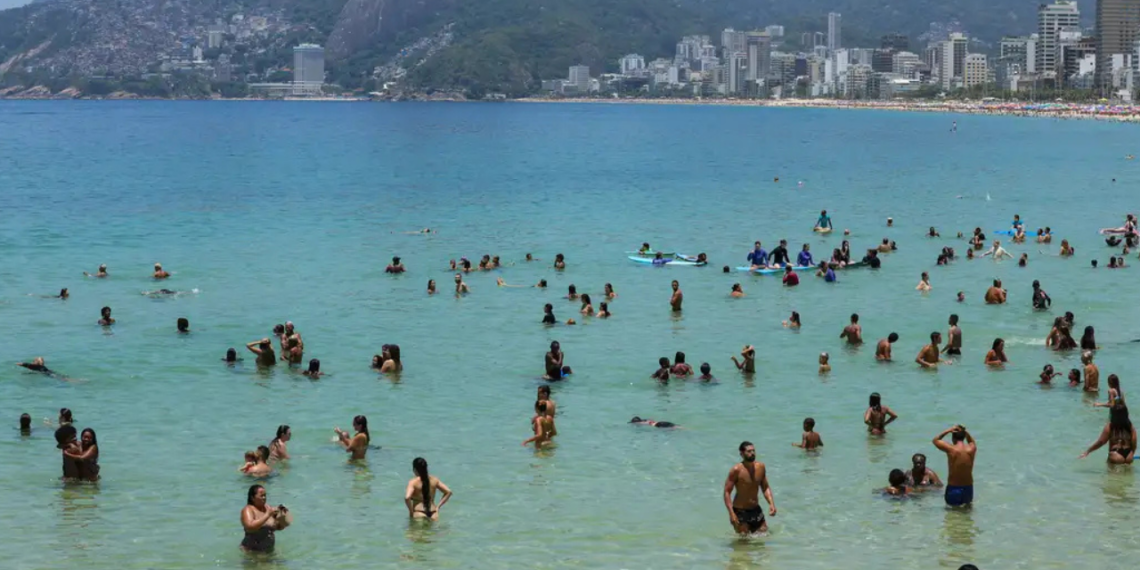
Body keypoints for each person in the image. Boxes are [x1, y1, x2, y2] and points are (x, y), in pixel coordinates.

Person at [724, 441, 777, 535]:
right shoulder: (736, 470)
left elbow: (765, 487)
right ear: (741, 453)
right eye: (749, 451)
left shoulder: (761, 467)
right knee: (743, 543)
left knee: (764, 536)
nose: (752, 453)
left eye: (753, 451)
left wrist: (771, 504)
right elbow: (727, 492)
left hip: (755, 509)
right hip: (740, 511)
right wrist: (731, 513)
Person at [934, 425, 976, 507]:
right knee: (967, 511)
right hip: (968, 487)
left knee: (952, 514)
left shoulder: (951, 449)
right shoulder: (971, 449)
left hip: (954, 487)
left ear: (953, 438)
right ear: (964, 437)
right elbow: (971, 441)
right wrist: (964, 431)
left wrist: (949, 430)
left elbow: (935, 440)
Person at [241, 484, 290, 552]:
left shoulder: (267, 508)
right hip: (252, 552)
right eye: (261, 496)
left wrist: (283, 517)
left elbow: (278, 528)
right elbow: (250, 526)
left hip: (268, 551)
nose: (264, 498)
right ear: (252, 497)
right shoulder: (248, 509)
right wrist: (267, 515)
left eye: (265, 495)